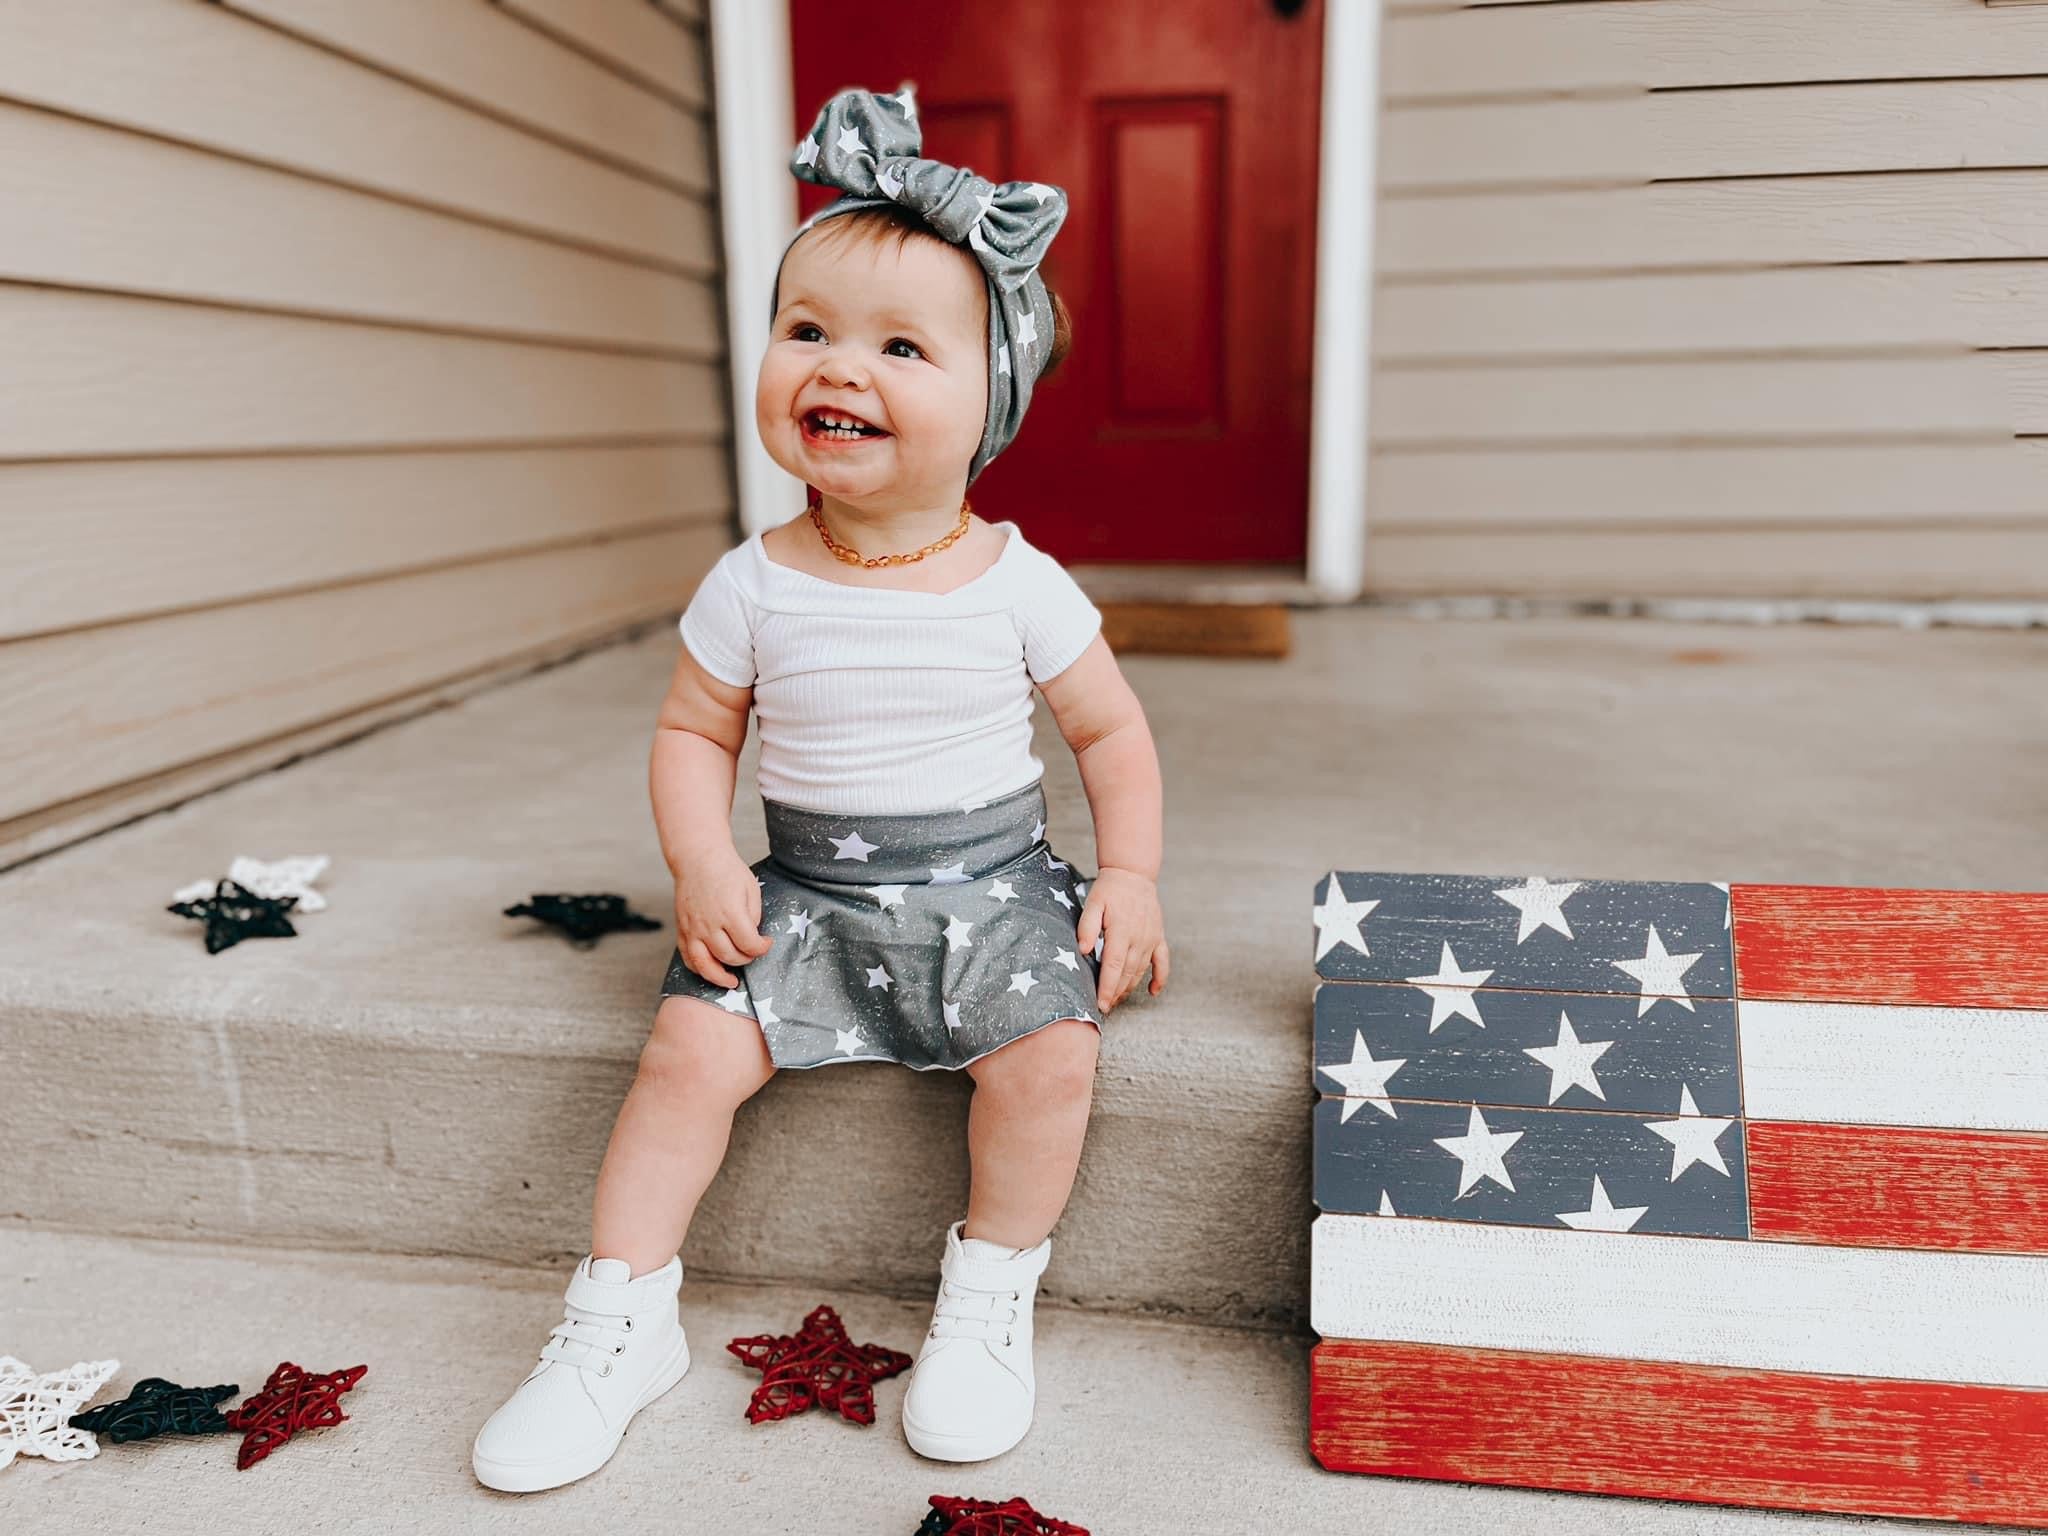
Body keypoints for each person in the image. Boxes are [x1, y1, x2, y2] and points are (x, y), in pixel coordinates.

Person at [472, 82, 1169, 1493]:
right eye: (807, 331)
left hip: (990, 891)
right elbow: (690, 734)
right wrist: (704, 863)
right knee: (684, 1055)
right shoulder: (752, 582)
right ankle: (620, 1318)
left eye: (902, 346)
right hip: (803, 887)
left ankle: (986, 1295)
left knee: (1051, 1058)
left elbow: (1111, 737)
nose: (837, 368)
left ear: (993, 404)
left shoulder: (1018, 584)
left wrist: (1131, 872)